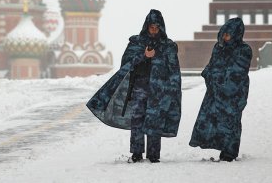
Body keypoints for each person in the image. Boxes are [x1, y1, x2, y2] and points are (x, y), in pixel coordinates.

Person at [86, 9, 182, 163]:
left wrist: (173, 90)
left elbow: (174, 71)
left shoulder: (168, 46)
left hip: (159, 91)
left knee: (154, 121)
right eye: (152, 26)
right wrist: (144, 55)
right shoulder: (136, 43)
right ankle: (136, 153)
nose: (154, 30)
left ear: (161, 27)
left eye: (157, 27)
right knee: (137, 120)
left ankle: (153, 155)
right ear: (146, 26)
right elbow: (126, 65)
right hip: (140, 88)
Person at [189, 17, 252, 162]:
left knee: (231, 121)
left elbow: (237, 73)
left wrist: (216, 77)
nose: (225, 37)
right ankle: (221, 149)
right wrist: (208, 74)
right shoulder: (218, 48)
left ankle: (229, 154)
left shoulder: (244, 50)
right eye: (223, 33)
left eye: (228, 34)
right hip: (215, 92)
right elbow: (210, 67)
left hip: (234, 94)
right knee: (214, 120)